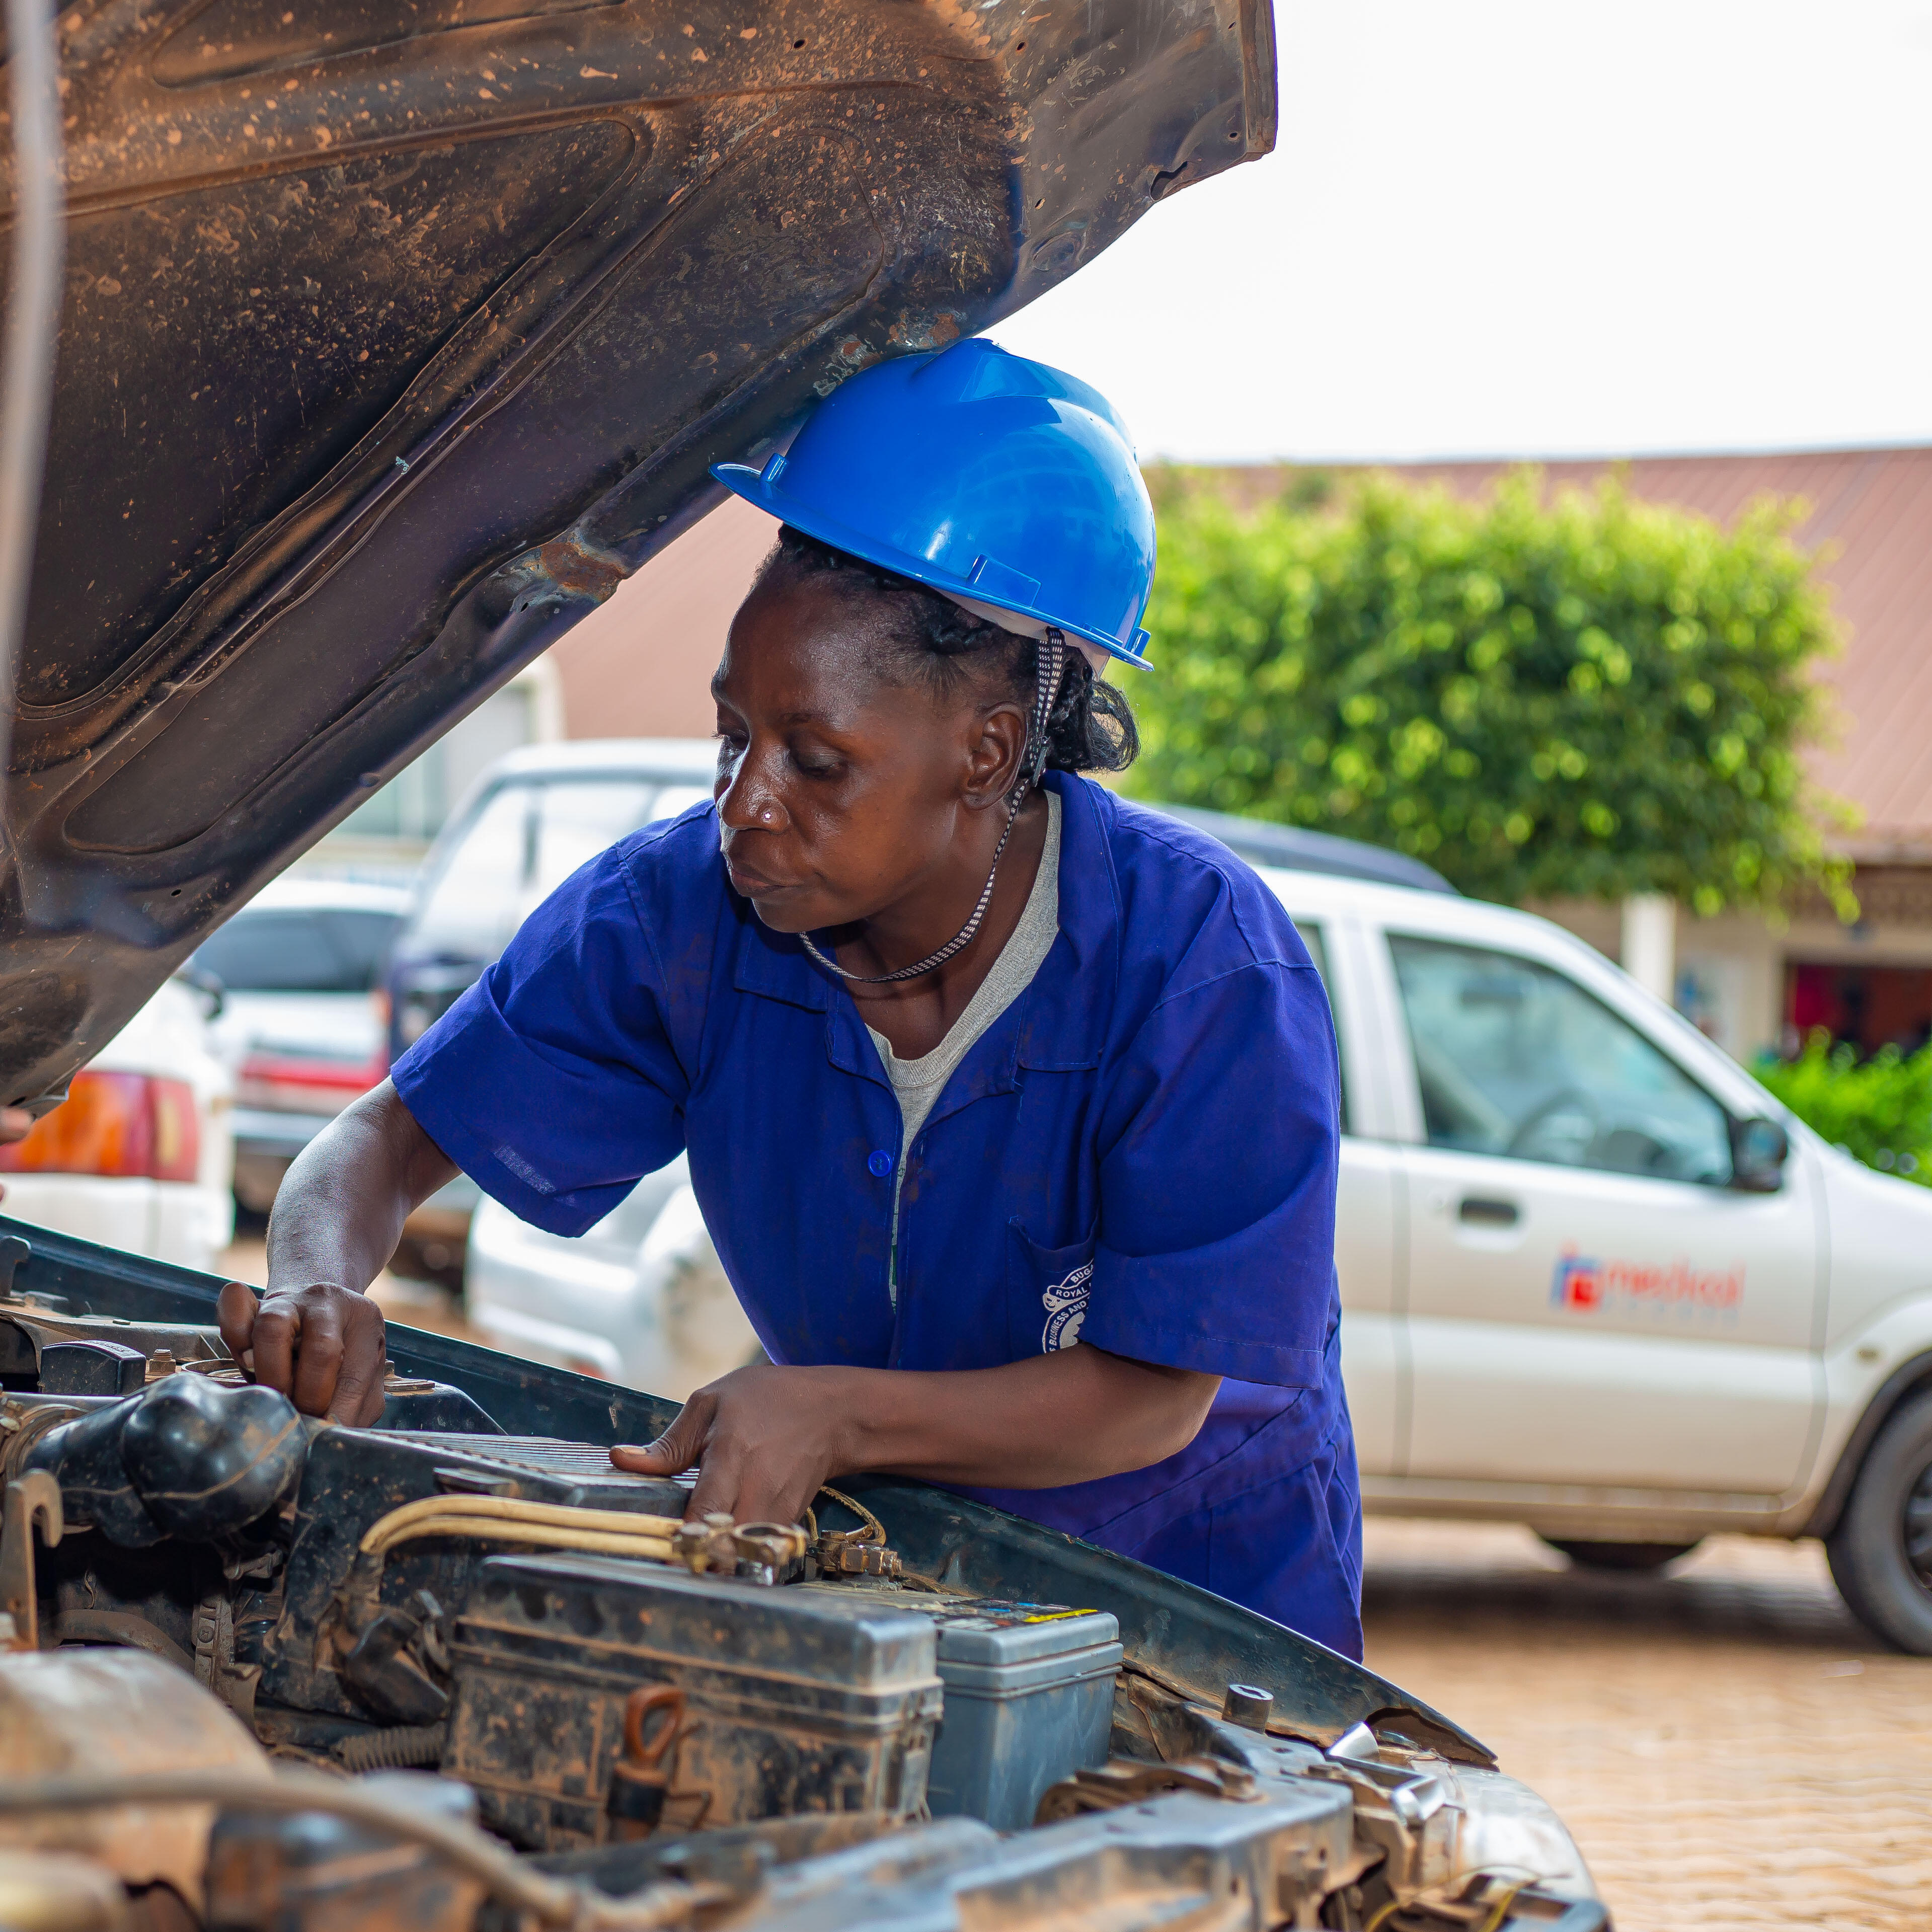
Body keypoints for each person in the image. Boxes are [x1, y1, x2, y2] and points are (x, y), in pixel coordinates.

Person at [220, 339, 1360, 1656]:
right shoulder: (676, 916)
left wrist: (836, 1412)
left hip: (1199, 1613)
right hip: (884, 1583)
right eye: (731, 736)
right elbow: (376, 1146)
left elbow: (1155, 1396)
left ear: (986, 750)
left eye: (816, 762)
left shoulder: (1205, 966)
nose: (744, 804)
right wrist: (316, 1287)